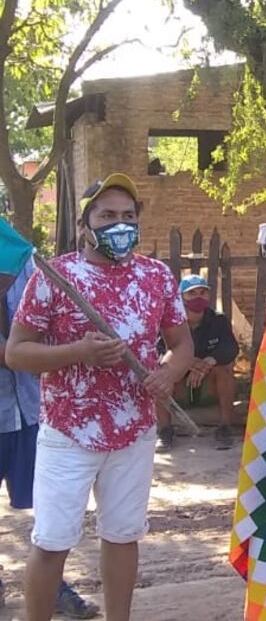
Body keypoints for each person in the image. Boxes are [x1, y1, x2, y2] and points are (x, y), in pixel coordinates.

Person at [5, 173, 194, 621]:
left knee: (123, 534)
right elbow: (17, 352)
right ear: (85, 223)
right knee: (52, 540)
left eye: (128, 216)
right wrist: (78, 352)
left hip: (134, 429)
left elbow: (182, 344)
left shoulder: (156, 276)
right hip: (68, 431)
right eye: (107, 215)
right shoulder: (55, 276)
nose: (119, 224)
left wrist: (166, 374)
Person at [0, 260, 100, 619]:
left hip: (31, 410)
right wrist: (20, 350)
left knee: (49, 515)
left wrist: (30, 350)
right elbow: (18, 351)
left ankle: (54, 589)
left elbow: (44, 338)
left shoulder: (26, 268)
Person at [156, 274, 240, 450]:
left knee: (224, 370)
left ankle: (225, 428)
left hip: (207, 384)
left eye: (203, 292)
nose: (198, 297)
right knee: (160, 373)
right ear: (181, 298)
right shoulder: (167, 321)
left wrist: (210, 361)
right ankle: (164, 430)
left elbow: (230, 348)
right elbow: (156, 351)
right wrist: (186, 362)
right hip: (180, 387)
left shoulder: (218, 320)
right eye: (192, 293)